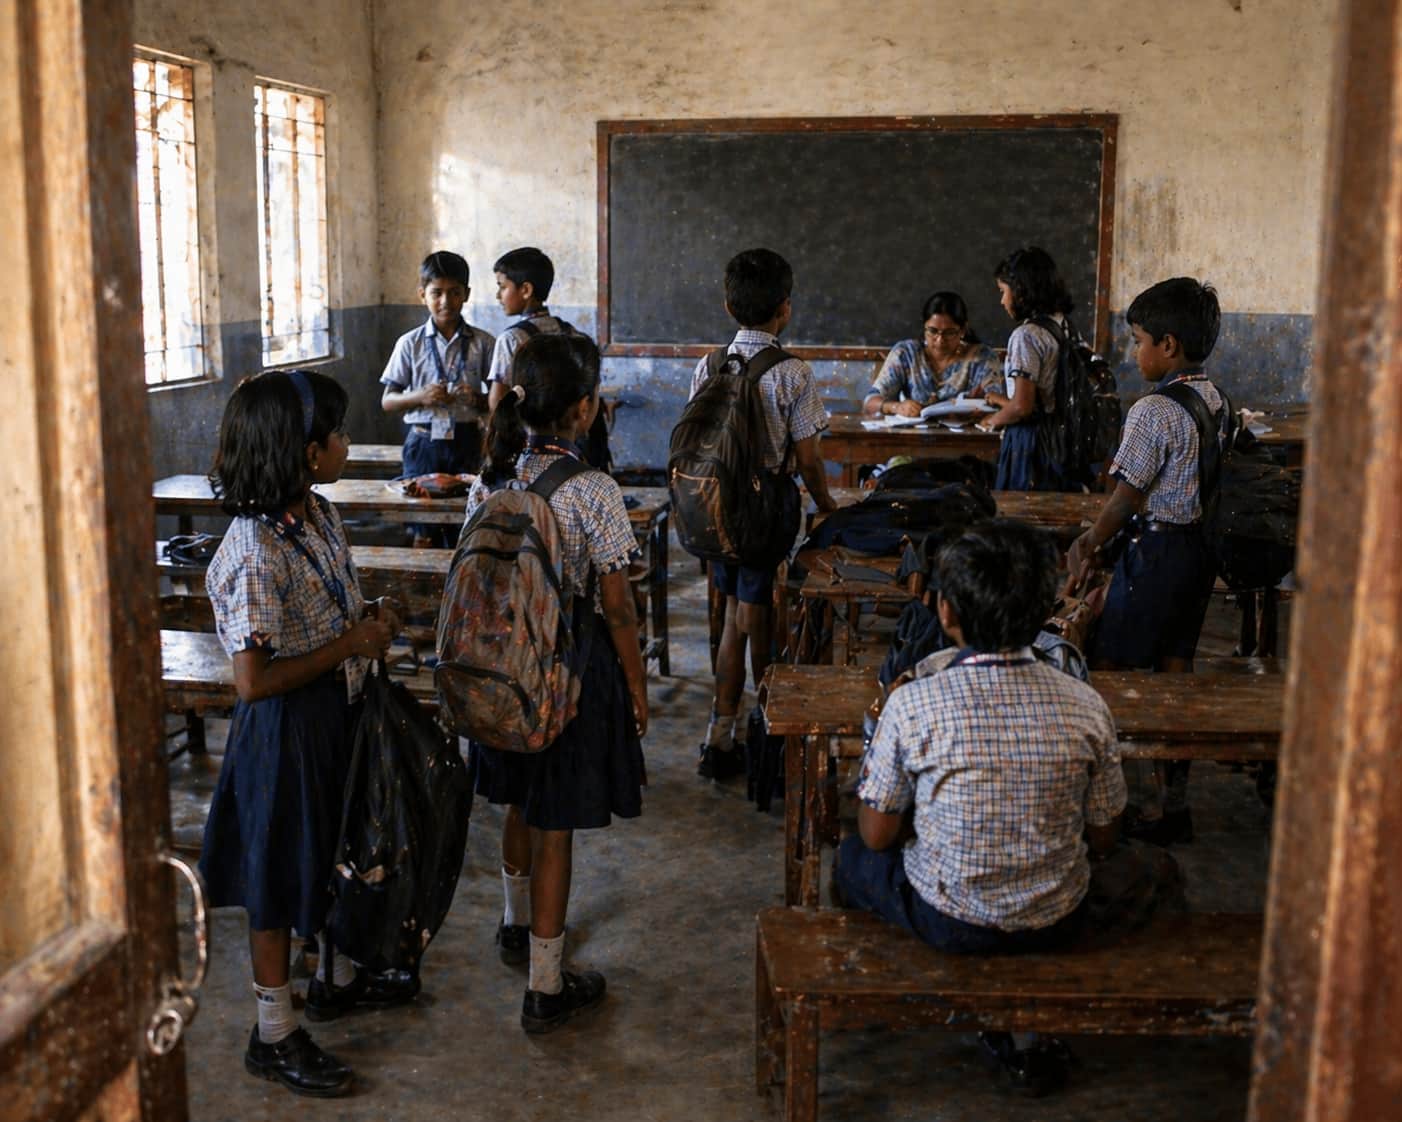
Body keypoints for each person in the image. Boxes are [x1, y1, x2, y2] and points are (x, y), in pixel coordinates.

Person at [836, 519, 1126, 1095]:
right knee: (1147, 876)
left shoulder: (914, 703)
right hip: (1054, 913)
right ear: (1043, 609)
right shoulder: (1087, 705)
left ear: (946, 613)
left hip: (950, 918)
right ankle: (1025, 1031)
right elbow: (1105, 838)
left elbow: (876, 835)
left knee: (851, 862)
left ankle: (880, 991)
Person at [200, 370, 416, 1098]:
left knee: (329, 852)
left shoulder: (316, 514)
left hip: (334, 716)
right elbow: (254, 680)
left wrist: (370, 619)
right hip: (284, 732)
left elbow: (336, 604)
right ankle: (274, 1032)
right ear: (304, 451)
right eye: (340, 434)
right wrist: (348, 646)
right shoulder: (255, 551)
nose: (349, 444)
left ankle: (333, 976)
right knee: (276, 877)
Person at [466, 332, 649, 1034]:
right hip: (570, 672)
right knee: (555, 824)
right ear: (586, 409)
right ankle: (546, 984)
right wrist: (634, 685)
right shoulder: (594, 490)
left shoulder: (493, 475)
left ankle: (514, 926)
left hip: (503, 665)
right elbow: (618, 605)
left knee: (516, 797)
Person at [1066, 278, 1229, 845]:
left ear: (1168, 344)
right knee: (1175, 664)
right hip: (1197, 551)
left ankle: (1103, 802)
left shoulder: (1153, 410)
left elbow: (1125, 496)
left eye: (1138, 341)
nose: (1133, 353)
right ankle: (1172, 801)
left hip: (1157, 549)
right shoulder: (1217, 401)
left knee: (1107, 665)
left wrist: (1088, 542)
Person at [691, 247, 837, 780]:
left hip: (712, 511)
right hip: (764, 514)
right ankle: (760, 734)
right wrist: (825, 506)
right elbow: (809, 459)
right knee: (751, 617)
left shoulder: (707, 364)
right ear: (786, 309)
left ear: (729, 306)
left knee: (737, 612)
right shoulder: (792, 372)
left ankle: (725, 733)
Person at [380, 250, 495, 546]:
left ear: (466, 294)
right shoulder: (409, 343)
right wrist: (420, 396)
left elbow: (501, 402)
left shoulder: (483, 343)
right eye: (437, 293)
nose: (446, 301)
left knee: (466, 524)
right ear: (422, 294)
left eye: (455, 292)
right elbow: (388, 401)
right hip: (422, 443)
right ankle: (423, 580)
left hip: (467, 441)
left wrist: (478, 399)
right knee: (422, 524)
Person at [982, 247, 1076, 490]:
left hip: (1032, 446)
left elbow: (1023, 407)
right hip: (1061, 440)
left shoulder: (1026, 335)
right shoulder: (1064, 326)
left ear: (1022, 291)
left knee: (1019, 516)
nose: (1002, 301)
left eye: (1003, 292)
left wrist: (991, 421)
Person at [863, 291, 1001, 417]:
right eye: (933, 331)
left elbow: (998, 405)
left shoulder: (982, 358)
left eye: (949, 333)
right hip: (914, 439)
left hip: (965, 439)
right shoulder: (906, 354)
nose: (940, 340)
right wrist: (896, 407)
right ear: (924, 327)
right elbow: (869, 403)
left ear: (963, 330)